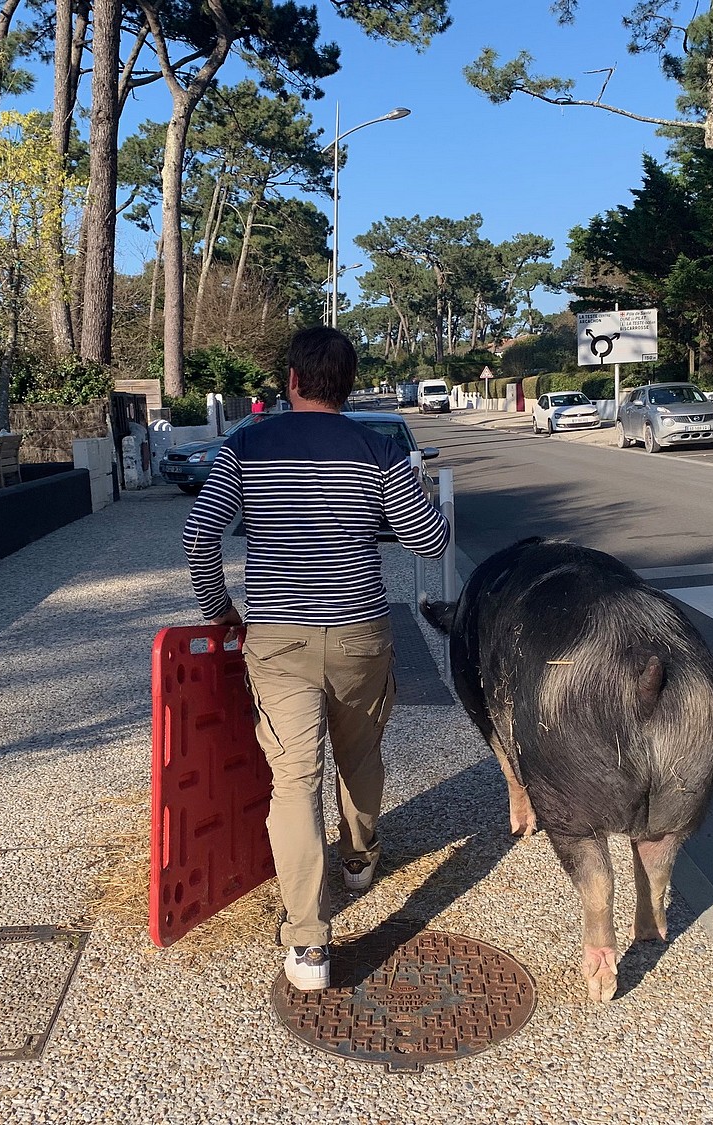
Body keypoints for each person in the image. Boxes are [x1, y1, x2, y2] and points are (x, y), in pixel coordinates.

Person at [182, 326, 450, 992]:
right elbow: (431, 541)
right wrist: (403, 488)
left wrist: (221, 610)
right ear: (348, 386)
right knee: (359, 754)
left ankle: (308, 944)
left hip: (278, 639)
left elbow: (199, 534)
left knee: (294, 777)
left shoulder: (245, 443)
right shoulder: (378, 449)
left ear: (292, 382)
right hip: (360, 631)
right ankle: (358, 860)